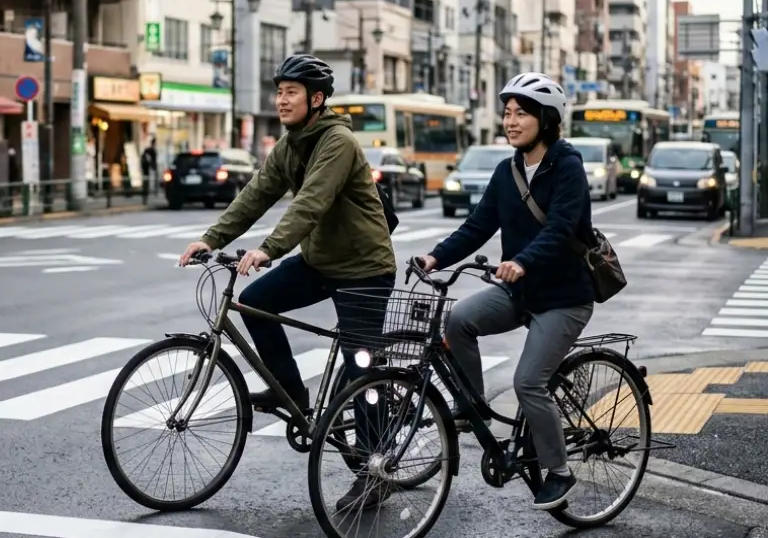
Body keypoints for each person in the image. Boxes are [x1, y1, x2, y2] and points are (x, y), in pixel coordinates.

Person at [178, 54, 397, 511]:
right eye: (279, 91)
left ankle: (375, 473)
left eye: (291, 92)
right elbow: (256, 194)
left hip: (364, 268)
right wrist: (209, 238)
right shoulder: (290, 144)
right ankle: (292, 392)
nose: (281, 99)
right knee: (257, 301)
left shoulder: (336, 141)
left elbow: (311, 203)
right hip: (320, 262)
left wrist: (268, 249)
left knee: (362, 371)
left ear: (317, 100)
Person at [413, 72, 594, 511]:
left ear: (546, 120)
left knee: (528, 381)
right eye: (507, 113)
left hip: (564, 297)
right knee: (457, 319)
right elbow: (478, 225)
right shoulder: (507, 168)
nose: (510, 122)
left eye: (521, 114)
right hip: (520, 291)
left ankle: (559, 472)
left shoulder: (567, 167)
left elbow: (559, 229)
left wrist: (522, 261)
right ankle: (470, 404)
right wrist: (436, 257)